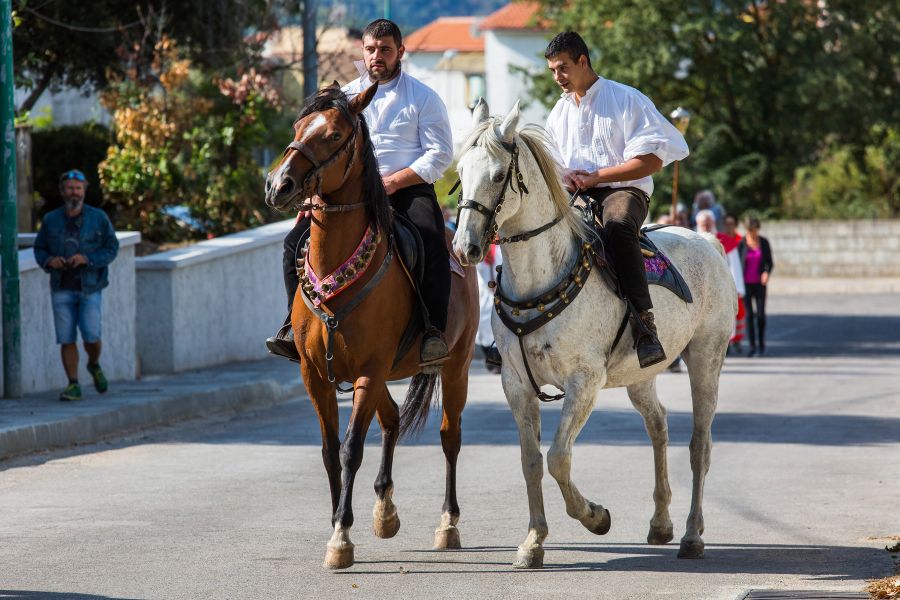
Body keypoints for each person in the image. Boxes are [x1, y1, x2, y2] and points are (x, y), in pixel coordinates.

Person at [266, 19, 454, 369]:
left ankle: (433, 332)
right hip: (348, 193)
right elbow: (322, 150)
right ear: (362, 51)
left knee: (431, 238)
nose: (377, 56)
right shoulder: (345, 97)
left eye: (385, 49)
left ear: (400, 52)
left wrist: (395, 182)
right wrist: (311, 196)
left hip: (406, 189)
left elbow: (440, 154)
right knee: (293, 243)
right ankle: (293, 328)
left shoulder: (423, 97)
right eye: (371, 49)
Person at [543, 31, 689, 368]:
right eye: (552, 71)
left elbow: (653, 160)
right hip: (575, 195)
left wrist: (596, 177)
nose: (557, 78)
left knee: (618, 227)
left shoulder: (626, 99)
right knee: (541, 231)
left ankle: (644, 324)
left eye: (562, 68)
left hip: (625, 190)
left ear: (583, 61)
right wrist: (565, 177)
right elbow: (552, 163)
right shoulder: (557, 113)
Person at [33, 169, 119, 401]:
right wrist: (49, 260)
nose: (74, 192)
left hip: (90, 287)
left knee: (91, 335)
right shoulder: (51, 220)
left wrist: (88, 260)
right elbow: (39, 249)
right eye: (70, 188)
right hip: (61, 286)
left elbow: (112, 248)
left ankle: (94, 363)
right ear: (62, 192)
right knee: (66, 337)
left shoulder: (98, 217)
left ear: (84, 191)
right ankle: (73, 384)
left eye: (78, 188)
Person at [739, 217, 773, 357]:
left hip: (760, 283)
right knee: (749, 315)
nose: (752, 233)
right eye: (750, 230)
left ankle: (761, 344)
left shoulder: (763, 242)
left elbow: (769, 262)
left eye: (754, 230)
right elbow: (737, 264)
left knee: (760, 315)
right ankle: (752, 346)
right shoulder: (742, 243)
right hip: (746, 283)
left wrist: (766, 272)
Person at [718, 214, 746, 353]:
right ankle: (727, 341)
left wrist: (739, 286)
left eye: (731, 224)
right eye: (727, 224)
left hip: (740, 277)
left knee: (739, 313)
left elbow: (736, 265)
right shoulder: (720, 239)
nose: (729, 226)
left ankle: (737, 340)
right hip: (723, 283)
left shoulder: (740, 241)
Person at [475, 244, 502, 374]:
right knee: (483, 326)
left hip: (500, 292)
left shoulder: (500, 247)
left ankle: (500, 360)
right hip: (483, 292)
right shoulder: (482, 247)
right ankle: (491, 360)